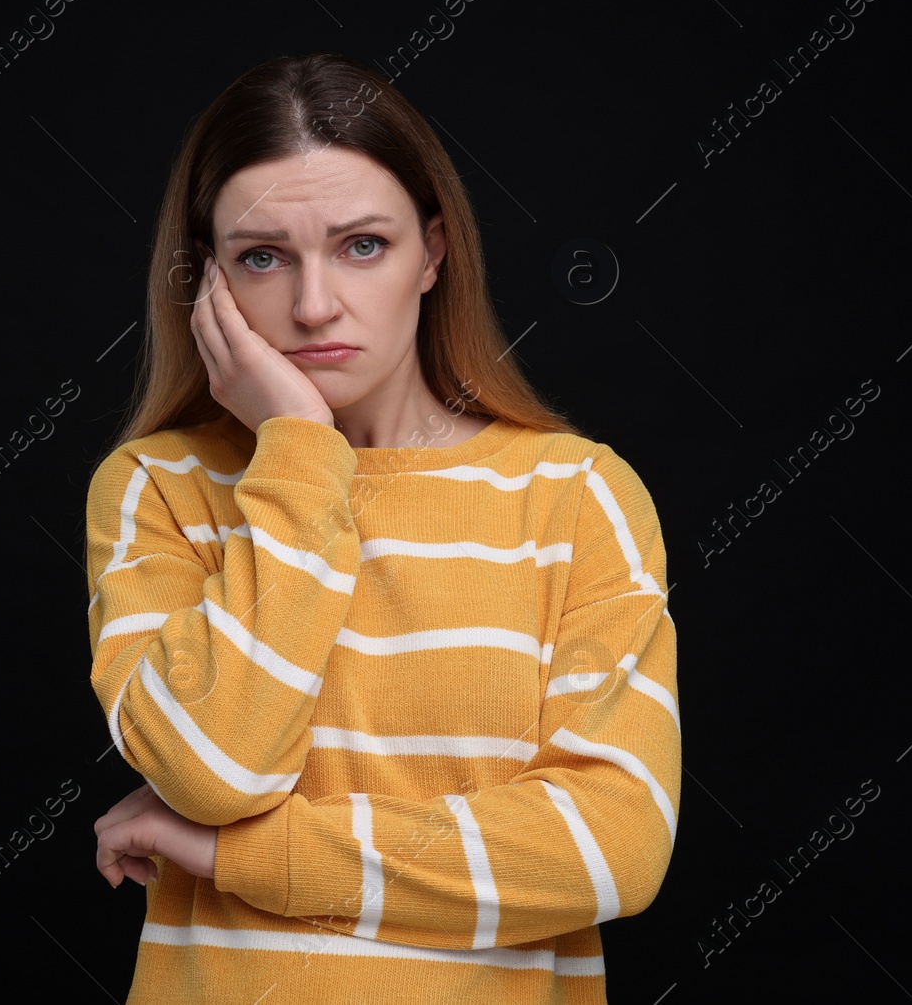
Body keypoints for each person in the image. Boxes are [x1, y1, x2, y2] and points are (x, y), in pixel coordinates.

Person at [84, 52, 680, 1004]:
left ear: (433, 252)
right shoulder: (159, 490)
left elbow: (608, 851)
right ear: (209, 285)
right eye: (262, 257)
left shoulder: (576, 495)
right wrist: (297, 450)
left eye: (362, 244)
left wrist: (241, 857)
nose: (314, 305)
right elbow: (215, 768)